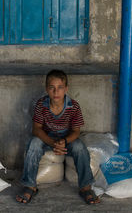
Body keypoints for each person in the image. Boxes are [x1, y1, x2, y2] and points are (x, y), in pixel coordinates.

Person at [16, 69, 100, 205]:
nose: (56, 92)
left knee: (79, 147)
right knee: (33, 144)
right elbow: (36, 129)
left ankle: (85, 187)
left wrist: (64, 141)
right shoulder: (41, 105)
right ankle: (30, 185)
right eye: (52, 88)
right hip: (46, 138)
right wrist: (52, 142)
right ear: (46, 89)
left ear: (66, 89)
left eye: (60, 88)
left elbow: (76, 131)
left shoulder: (73, 106)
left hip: (66, 139)